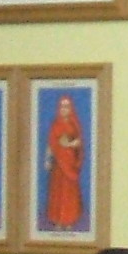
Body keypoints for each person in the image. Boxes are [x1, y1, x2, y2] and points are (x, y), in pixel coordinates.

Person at [39, 96, 86, 232]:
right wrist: (47, 159)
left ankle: (69, 220)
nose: (64, 109)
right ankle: (58, 219)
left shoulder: (74, 124)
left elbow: (79, 143)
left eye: (66, 106)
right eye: (62, 106)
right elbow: (50, 144)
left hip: (70, 163)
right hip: (58, 164)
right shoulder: (55, 124)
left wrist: (69, 144)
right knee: (58, 191)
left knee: (69, 193)